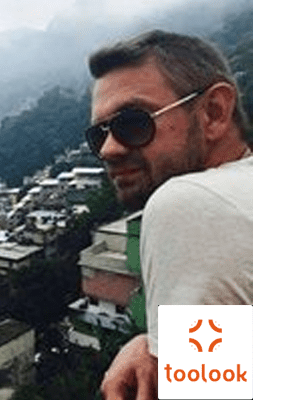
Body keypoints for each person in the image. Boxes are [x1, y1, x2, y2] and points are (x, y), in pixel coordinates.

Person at [83, 30, 253, 400]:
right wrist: (157, 343)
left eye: (133, 123)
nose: (108, 149)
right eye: (99, 135)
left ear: (214, 112)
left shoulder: (189, 202)